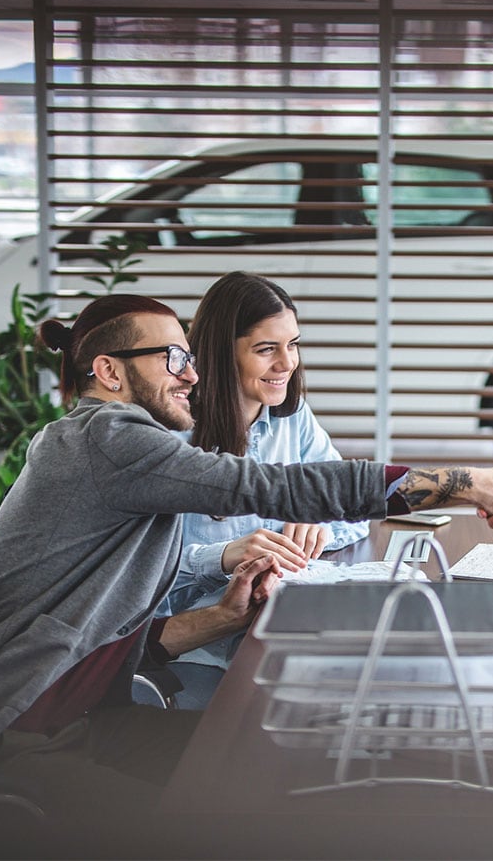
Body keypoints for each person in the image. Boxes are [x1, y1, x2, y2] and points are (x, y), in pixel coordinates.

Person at [0, 292, 493, 822]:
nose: (191, 375)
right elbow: (279, 486)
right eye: (174, 359)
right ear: (109, 371)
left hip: (77, 722)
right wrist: (465, 481)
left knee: (280, 765)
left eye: (188, 358)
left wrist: (223, 616)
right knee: (229, 820)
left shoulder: (117, 450)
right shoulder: (104, 439)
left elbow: (96, 639)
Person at [156, 273, 369, 708]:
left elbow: (355, 503)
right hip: (196, 649)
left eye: (292, 344)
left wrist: (319, 522)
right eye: (266, 349)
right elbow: (140, 567)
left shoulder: (292, 418)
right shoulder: (171, 434)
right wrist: (223, 556)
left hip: (272, 629)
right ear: (220, 354)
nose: (287, 363)